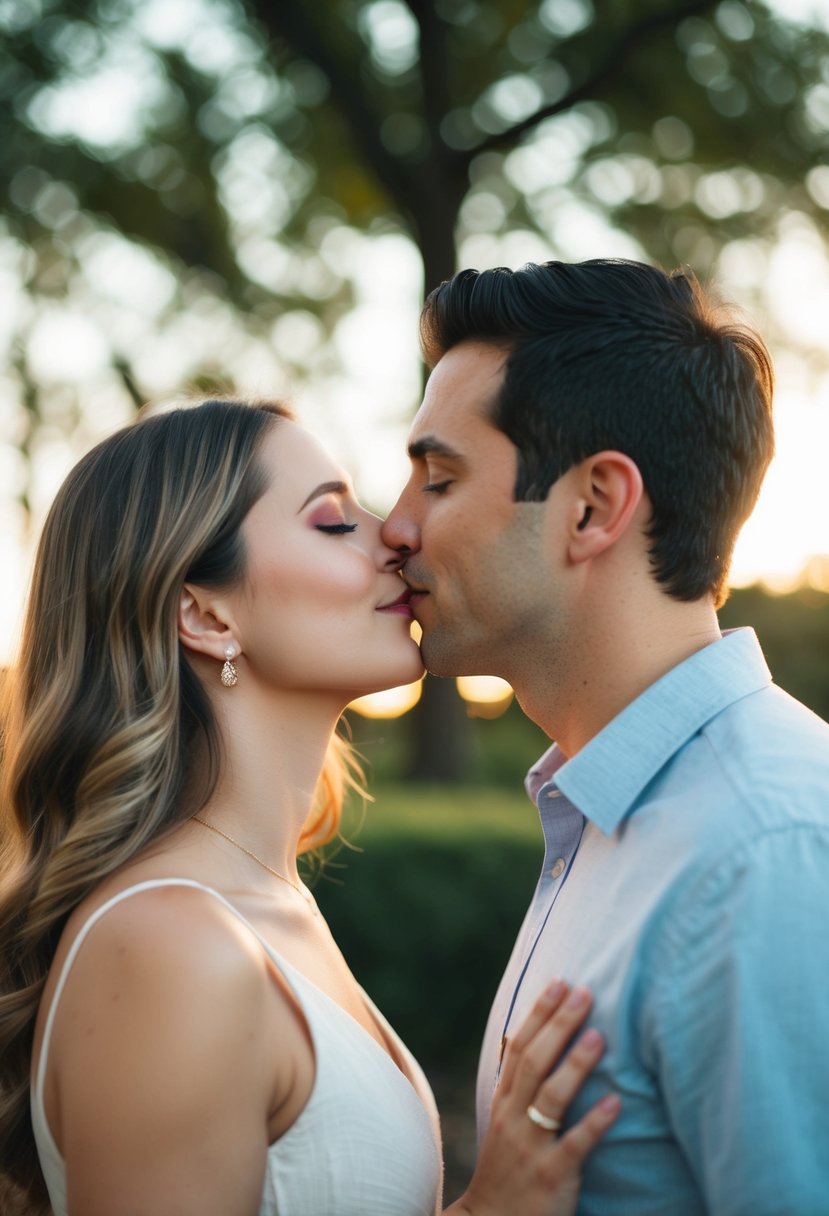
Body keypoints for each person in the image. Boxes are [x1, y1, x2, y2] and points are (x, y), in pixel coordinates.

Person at [0, 398, 621, 1216]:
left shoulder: (263, 904)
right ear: (206, 613)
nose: (396, 534)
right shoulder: (167, 945)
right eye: (333, 522)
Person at [381, 259, 829, 1214]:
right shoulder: (601, 809)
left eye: (437, 478)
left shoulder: (768, 851)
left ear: (590, 507)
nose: (396, 525)